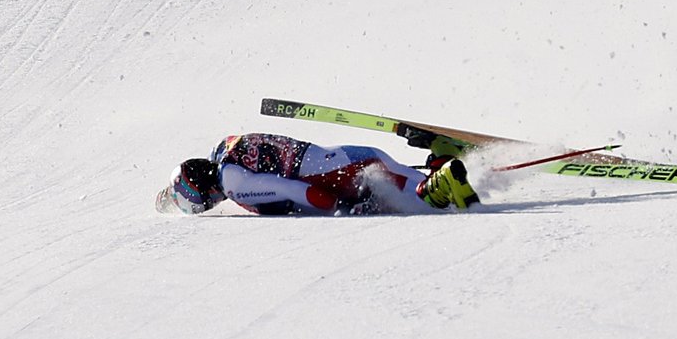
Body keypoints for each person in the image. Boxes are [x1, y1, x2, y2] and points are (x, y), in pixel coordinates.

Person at [155, 132, 480, 216]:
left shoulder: (234, 183)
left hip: (347, 176)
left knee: (426, 205)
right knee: (415, 186)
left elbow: (305, 194)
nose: (200, 204)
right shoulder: (226, 149)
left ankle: (443, 182)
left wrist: (341, 209)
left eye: (191, 199)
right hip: (352, 156)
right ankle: (446, 161)